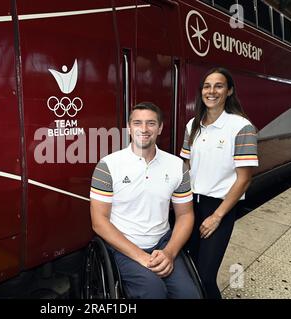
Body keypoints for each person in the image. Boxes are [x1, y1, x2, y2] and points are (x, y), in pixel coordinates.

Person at [90, 102, 201, 299]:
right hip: (123, 246)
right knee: (153, 291)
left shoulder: (177, 166)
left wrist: (170, 253)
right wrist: (141, 257)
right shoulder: (108, 166)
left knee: (190, 295)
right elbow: (99, 222)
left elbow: (185, 215)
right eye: (137, 123)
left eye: (151, 123)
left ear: (160, 128)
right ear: (129, 127)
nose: (144, 129)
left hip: (163, 243)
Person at [180, 67, 259, 299]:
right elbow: (186, 168)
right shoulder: (192, 125)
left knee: (205, 276)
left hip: (218, 208)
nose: (211, 91)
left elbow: (244, 180)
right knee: (189, 269)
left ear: (229, 91)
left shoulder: (241, 127)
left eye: (218, 86)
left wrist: (217, 216)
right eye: (207, 86)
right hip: (189, 206)